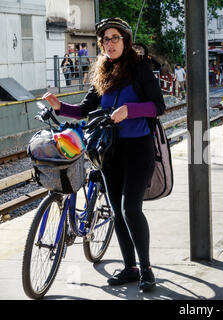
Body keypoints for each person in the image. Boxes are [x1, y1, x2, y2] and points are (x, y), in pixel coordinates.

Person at [42, 17, 166, 292]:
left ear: (126, 41)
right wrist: (59, 105)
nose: (109, 44)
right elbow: (84, 109)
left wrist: (129, 111)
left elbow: (158, 106)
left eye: (115, 38)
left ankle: (146, 269)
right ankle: (130, 267)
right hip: (108, 151)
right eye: (105, 40)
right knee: (117, 212)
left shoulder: (140, 69)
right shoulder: (103, 71)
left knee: (130, 208)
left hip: (138, 148)